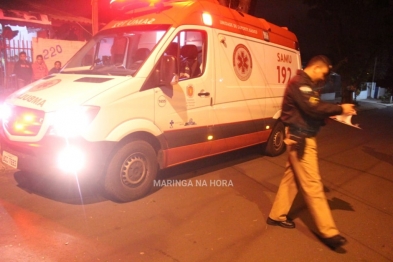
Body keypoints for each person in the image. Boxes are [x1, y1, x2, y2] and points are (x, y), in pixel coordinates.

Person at [266, 55, 356, 250]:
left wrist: (330, 117)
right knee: (313, 185)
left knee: (291, 180)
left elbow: (310, 112)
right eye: (322, 74)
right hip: (301, 140)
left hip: (300, 138)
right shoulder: (300, 83)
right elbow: (312, 107)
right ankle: (329, 233)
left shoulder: (306, 84)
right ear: (315, 68)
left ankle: (276, 215)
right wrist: (340, 108)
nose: (322, 78)